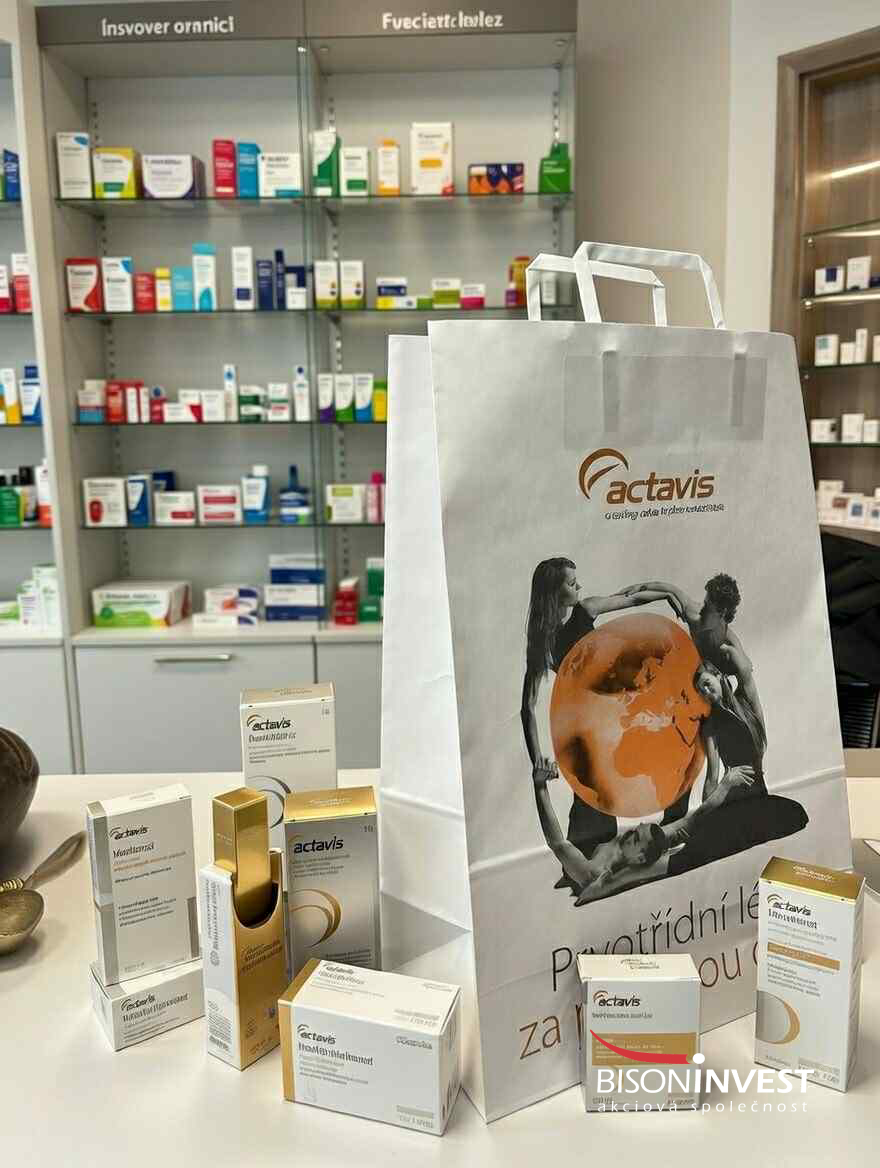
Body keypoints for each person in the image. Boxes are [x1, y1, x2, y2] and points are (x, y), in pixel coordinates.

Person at [521, 557, 671, 880]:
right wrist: (537, 760)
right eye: (571, 582)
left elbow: (630, 597)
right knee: (595, 791)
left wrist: (669, 594)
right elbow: (527, 707)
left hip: (612, 714)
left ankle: (581, 864)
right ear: (554, 592)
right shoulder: (544, 641)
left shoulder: (586, 610)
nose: (579, 586)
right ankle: (584, 864)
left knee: (602, 789)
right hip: (584, 726)